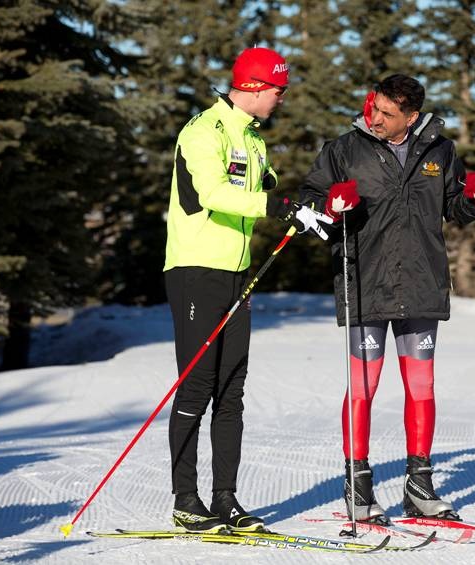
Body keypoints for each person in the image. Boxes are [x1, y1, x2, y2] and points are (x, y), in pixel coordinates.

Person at [300, 74, 475, 523]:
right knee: (363, 388)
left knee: (422, 386)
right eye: (375, 108)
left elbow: (456, 207)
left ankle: (419, 486)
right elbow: (311, 204)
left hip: (421, 284)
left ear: (411, 117)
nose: (376, 118)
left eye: (388, 114)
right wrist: (331, 205)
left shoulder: (439, 151)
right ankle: (358, 486)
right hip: (364, 284)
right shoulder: (343, 150)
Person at [163, 46, 331, 533]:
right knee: (198, 384)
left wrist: (303, 206)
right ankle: (185, 498)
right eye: (279, 90)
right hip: (196, 269)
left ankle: (224, 499)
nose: (282, 98)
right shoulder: (202, 131)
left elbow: (267, 184)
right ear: (256, 88)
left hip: (238, 272)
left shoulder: (254, 140)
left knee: (231, 390)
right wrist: (277, 205)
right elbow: (214, 193)